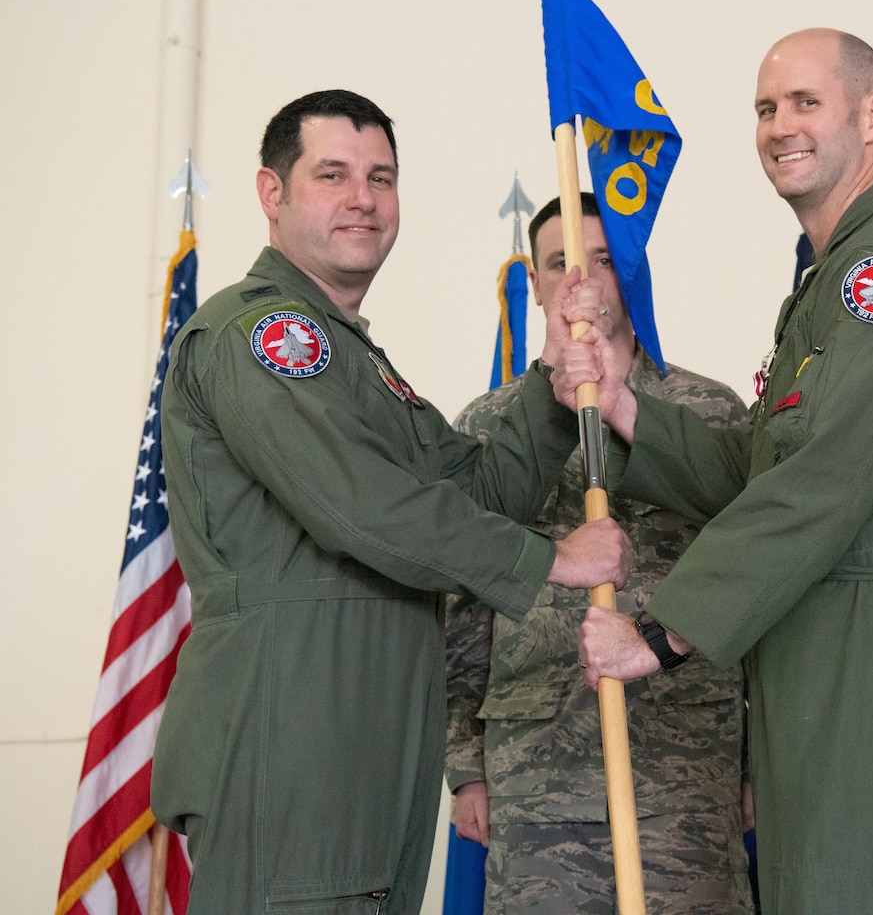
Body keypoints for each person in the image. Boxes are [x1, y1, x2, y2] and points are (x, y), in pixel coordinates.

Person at [150, 90, 633, 914]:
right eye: (332, 174)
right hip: (294, 726)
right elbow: (363, 508)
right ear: (273, 194)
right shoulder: (264, 337)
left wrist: (553, 385)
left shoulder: (356, 359)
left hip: (364, 734)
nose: (362, 198)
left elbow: (476, 489)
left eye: (381, 177)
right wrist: (552, 560)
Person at [564, 29, 873, 914]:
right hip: (816, 654)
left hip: (872, 655)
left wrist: (661, 633)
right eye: (766, 108)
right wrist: (624, 407)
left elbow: (827, 482)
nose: (779, 126)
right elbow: (765, 467)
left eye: (806, 102)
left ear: (871, 115)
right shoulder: (826, 281)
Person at [444, 192, 754, 914]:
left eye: (605, 262)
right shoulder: (489, 427)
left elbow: (756, 588)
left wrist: (758, 763)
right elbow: (459, 604)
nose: (583, 281)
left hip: (686, 767)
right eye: (562, 264)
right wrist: (467, 768)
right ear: (537, 283)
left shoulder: (709, 412)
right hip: (537, 780)